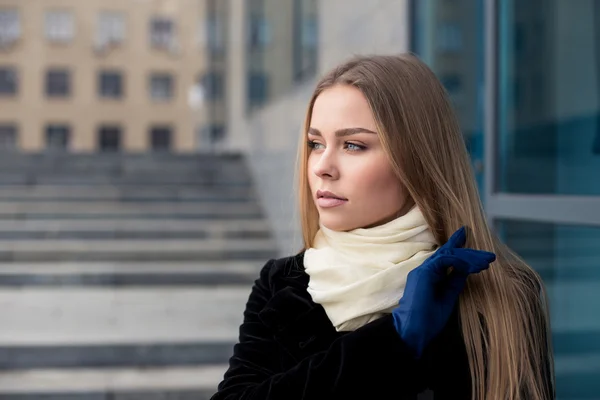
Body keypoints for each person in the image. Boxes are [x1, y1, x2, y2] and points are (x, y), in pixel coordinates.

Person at [210, 54, 555, 400]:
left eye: (353, 145)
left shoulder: (503, 300)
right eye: (316, 144)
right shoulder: (281, 284)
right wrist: (394, 341)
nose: (322, 167)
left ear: (417, 160)